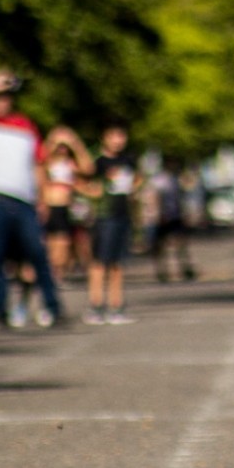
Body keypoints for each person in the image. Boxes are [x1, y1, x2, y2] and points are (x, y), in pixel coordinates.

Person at [0, 68, 65, 329]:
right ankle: (2, 312)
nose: (1, 102)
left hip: (24, 200)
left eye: (5, 97)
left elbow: (37, 165)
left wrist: (42, 198)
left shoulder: (25, 126)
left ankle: (52, 307)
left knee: (38, 256)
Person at [83, 120, 141, 325]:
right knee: (99, 262)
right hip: (104, 216)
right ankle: (95, 305)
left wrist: (135, 190)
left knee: (118, 264)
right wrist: (92, 193)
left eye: (121, 136)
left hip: (123, 215)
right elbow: (80, 179)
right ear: (104, 138)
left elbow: (138, 180)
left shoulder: (129, 160)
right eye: (113, 136)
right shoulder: (98, 162)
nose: (117, 140)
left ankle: (116, 305)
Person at [41, 126, 97, 286]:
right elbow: (40, 159)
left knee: (63, 244)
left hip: (65, 207)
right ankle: (49, 274)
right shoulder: (47, 163)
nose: (62, 149)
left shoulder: (71, 164)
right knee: (49, 243)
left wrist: (75, 142)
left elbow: (88, 168)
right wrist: (53, 140)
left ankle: (57, 274)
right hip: (49, 206)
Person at [146, 156, 196, 283]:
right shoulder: (159, 180)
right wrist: (157, 215)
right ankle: (162, 270)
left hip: (175, 215)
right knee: (160, 245)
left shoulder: (175, 178)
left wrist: (184, 213)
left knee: (180, 242)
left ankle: (185, 268)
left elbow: (180, 197)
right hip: (162, 216)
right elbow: (155, 198)